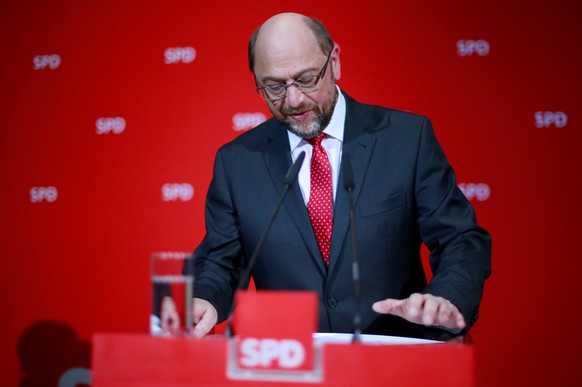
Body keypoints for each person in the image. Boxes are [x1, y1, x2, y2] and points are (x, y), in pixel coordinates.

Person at [188, 12, 491, 340]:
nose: (293, 100)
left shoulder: (407, 139)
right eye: (274, 86)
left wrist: (445, 297)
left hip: (397, 355)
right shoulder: (237, 162)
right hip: (290, 362)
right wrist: (205, 298)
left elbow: (459, 239)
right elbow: (222, 261)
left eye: (306, 79)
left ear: (334, 61)